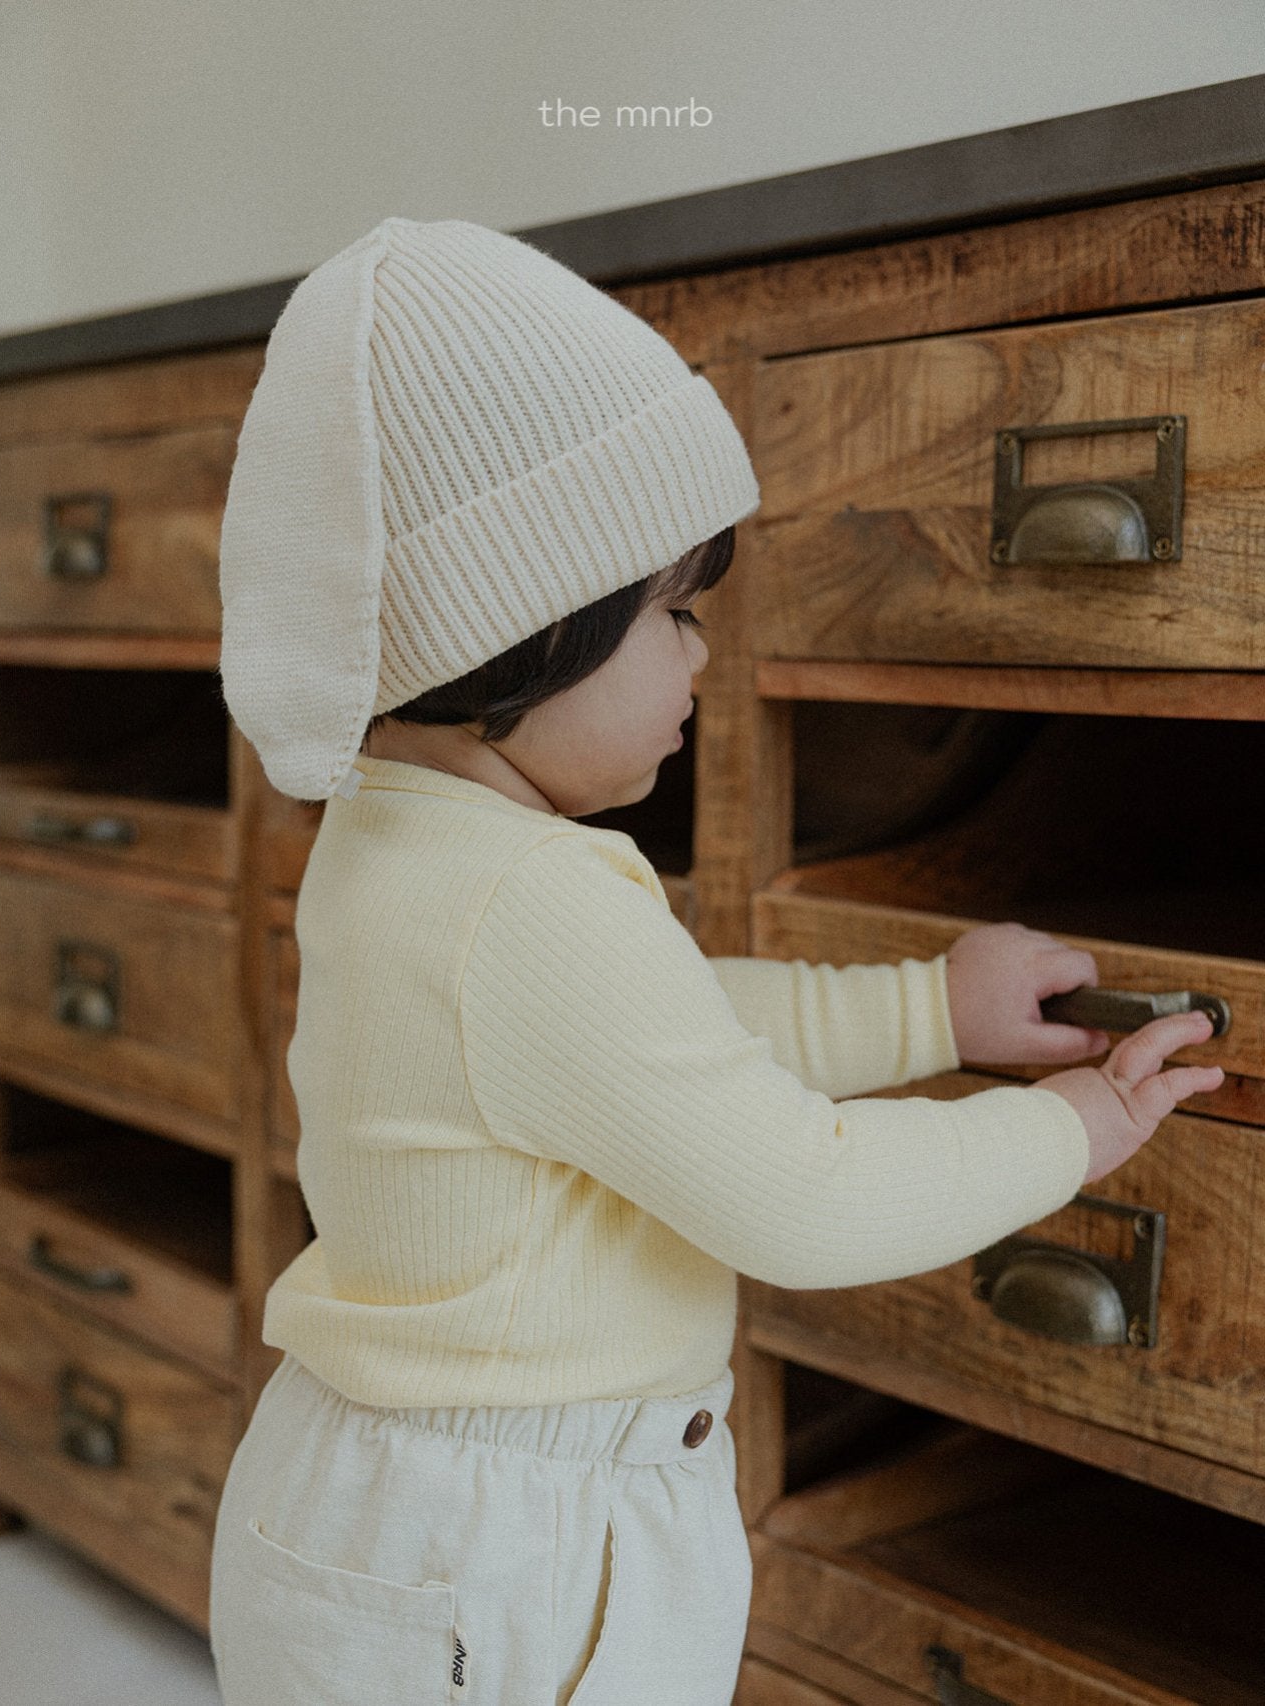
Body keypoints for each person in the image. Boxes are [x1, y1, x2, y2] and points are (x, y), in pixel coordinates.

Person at [209, 218, 1223, 1706]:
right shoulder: (537, 900)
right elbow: (799, 1194)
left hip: (367, 1507)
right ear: (524, 624)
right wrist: (1069, 1130)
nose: (698, 658)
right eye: (673, 611)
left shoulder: (392, 844)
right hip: (504, 1569)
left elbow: (656, 1040)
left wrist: (925, 1005)